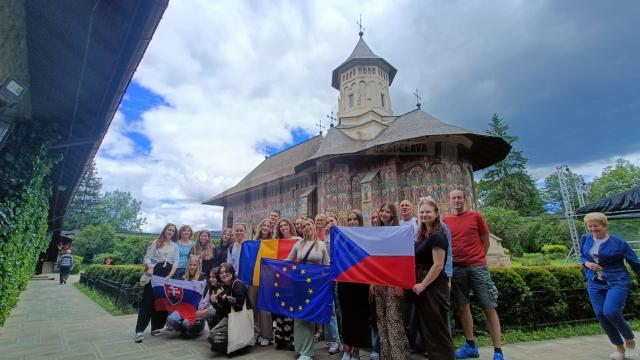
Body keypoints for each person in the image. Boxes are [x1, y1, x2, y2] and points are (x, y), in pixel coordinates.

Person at [443, 190, 504, 360]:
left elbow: (485, 239)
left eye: (459, 198)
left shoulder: (476, 216)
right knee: (463, 307)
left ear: (465, 199)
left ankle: (498, 351)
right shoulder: (446, 221)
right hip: (457, 269)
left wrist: (478, 258)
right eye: (453, 198)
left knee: (488, 306)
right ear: (449, 201)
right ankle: (470, 345)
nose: (457, 201)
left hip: (477, 267)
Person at [580, 212, 640, 360]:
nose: (593, 229)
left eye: (596, 226)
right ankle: (619, 349)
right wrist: (586, 263)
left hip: (618, 281)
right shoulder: (586, 239)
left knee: (611, 311)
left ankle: (630, 342)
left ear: (605, 226)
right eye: (590, 226)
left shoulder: (619, 243)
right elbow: (581, 255)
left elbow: (635, 262)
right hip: (595, 282)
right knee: (601, 314)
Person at [413, 199, 455, 360]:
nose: (424, 215)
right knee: (428, 327)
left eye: (428, 212)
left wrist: (423, 285)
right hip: (424, 282)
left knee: (437, 327)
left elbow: (438, 265)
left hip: (434, 285)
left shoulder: (438, 235)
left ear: (436, 214)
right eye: (422, 212)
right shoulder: (423, 234)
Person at [287, 218, 330, 360]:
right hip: (300, 284)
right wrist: (270, 263)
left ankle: (308, 352)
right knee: (299, 316)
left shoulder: (322, 245)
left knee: (309, 316)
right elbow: (288, 261)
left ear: (313, 226)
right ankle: (300, 348)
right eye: (303, 226)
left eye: (308, 225)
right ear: (301, 229)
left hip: (315, 286)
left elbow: (327, 266)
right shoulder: (298, 244)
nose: (306, 227)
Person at [374, 202, 410, 360]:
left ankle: (399, 355)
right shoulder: (376, 232)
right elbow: (373, 260)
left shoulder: (399, 232)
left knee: (393, 320)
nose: (383, 214)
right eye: (381, 211)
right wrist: (372, 282)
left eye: (387, 211)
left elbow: (402, 261)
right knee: (381, 320)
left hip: (393, 282)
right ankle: (386, 355)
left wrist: (399, 285)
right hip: (379, 281)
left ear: (393, 215)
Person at [134, 223, 179, 343]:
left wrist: (170, 275)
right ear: (165, 230)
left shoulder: (175, 246)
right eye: (169, 229)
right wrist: (149, 267)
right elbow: (147, 258)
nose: (170, 232)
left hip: (167, 274)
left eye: (173, 231)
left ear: (175, 233)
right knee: (147, 301)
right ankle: (139, 331)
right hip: (154, 272)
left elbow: (176, 262)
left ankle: (156, 328)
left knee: (161, 302)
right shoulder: (155, 242)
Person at [338, 210, 371, 360]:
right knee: (347, 316)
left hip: (361, 283)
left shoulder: (366, 237)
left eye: (355, 219)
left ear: (360, 221)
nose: (352, 222)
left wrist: (371, 283)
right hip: (345, 282)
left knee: (360, 316)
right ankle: (346, 348)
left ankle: (356, 350)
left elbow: (371, 262)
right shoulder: (342, 236)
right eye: (350, 219)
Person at [207, 262, 250, 354]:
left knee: (212, 337)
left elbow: (239, 307)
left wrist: (225, 298)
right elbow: (221, 309)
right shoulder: (224, 286)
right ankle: (228, 342)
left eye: (226, 271)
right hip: (229, 316)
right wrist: (214, 301)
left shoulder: (238, 284)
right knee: (211, 313)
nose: (224, 274)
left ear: (232, 272)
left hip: (239, 319)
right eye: (221, 273)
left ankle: (236, 347)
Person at [273, 218, 300, 351]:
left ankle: (291, 339)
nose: (284, 227)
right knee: (281, 309)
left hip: (293, 278)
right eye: (281, 226)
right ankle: (280, 338)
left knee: (291, 309)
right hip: (280, 278)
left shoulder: (298, 240)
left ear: (290, 226)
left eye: (286, 225)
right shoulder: (276, 242)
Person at [166, 255, 207, 337]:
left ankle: (199, 328)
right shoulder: (183, 277)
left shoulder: (203, 277)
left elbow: (205, 296)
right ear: (188, 265)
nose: (192, 267)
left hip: (196, 309)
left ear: (198, 266)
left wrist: (198, 287)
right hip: (184, 307)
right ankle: (183, 329)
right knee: (170, 320)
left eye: (194, 265)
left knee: (187, 323)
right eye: (190, 265)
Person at [249, 219, 274, 347]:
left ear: (271, 228)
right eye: (263, 225)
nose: (265, 227)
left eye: (268, 225)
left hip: (267, 280)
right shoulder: (254, 242)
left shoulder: (274, 243)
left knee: (265, 308)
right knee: (253, 307)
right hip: (253, 278)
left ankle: (267, 335)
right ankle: (255, 332)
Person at [323, 213, 342, 355]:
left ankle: (342, 337)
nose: (330, 223)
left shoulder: (342, 236)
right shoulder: (323, 240)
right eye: (327, 222)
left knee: (340, 308)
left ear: (337, 221)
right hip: (327, 277)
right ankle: (334, 339)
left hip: (341, 276)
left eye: (332, 221)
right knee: (331, 308)